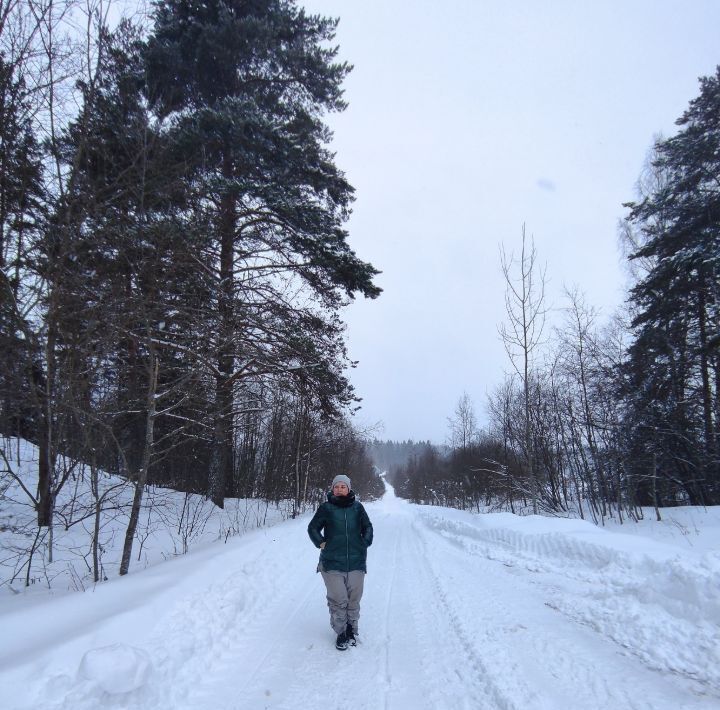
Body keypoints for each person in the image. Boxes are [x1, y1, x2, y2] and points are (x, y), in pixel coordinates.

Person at [307, 474, 374, 650]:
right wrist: (320, 542)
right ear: (332, 489)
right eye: (336, 486)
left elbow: (367, 526)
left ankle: (351, 628)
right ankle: (341, 632)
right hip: (332, 563)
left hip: (356, 561)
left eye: (343, 486)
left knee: (354, 599)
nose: (339, 489)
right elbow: (313, 527)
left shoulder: (358, 508)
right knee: (338, 598)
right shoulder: (326, 508)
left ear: (349, 489)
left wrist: (364, 542)